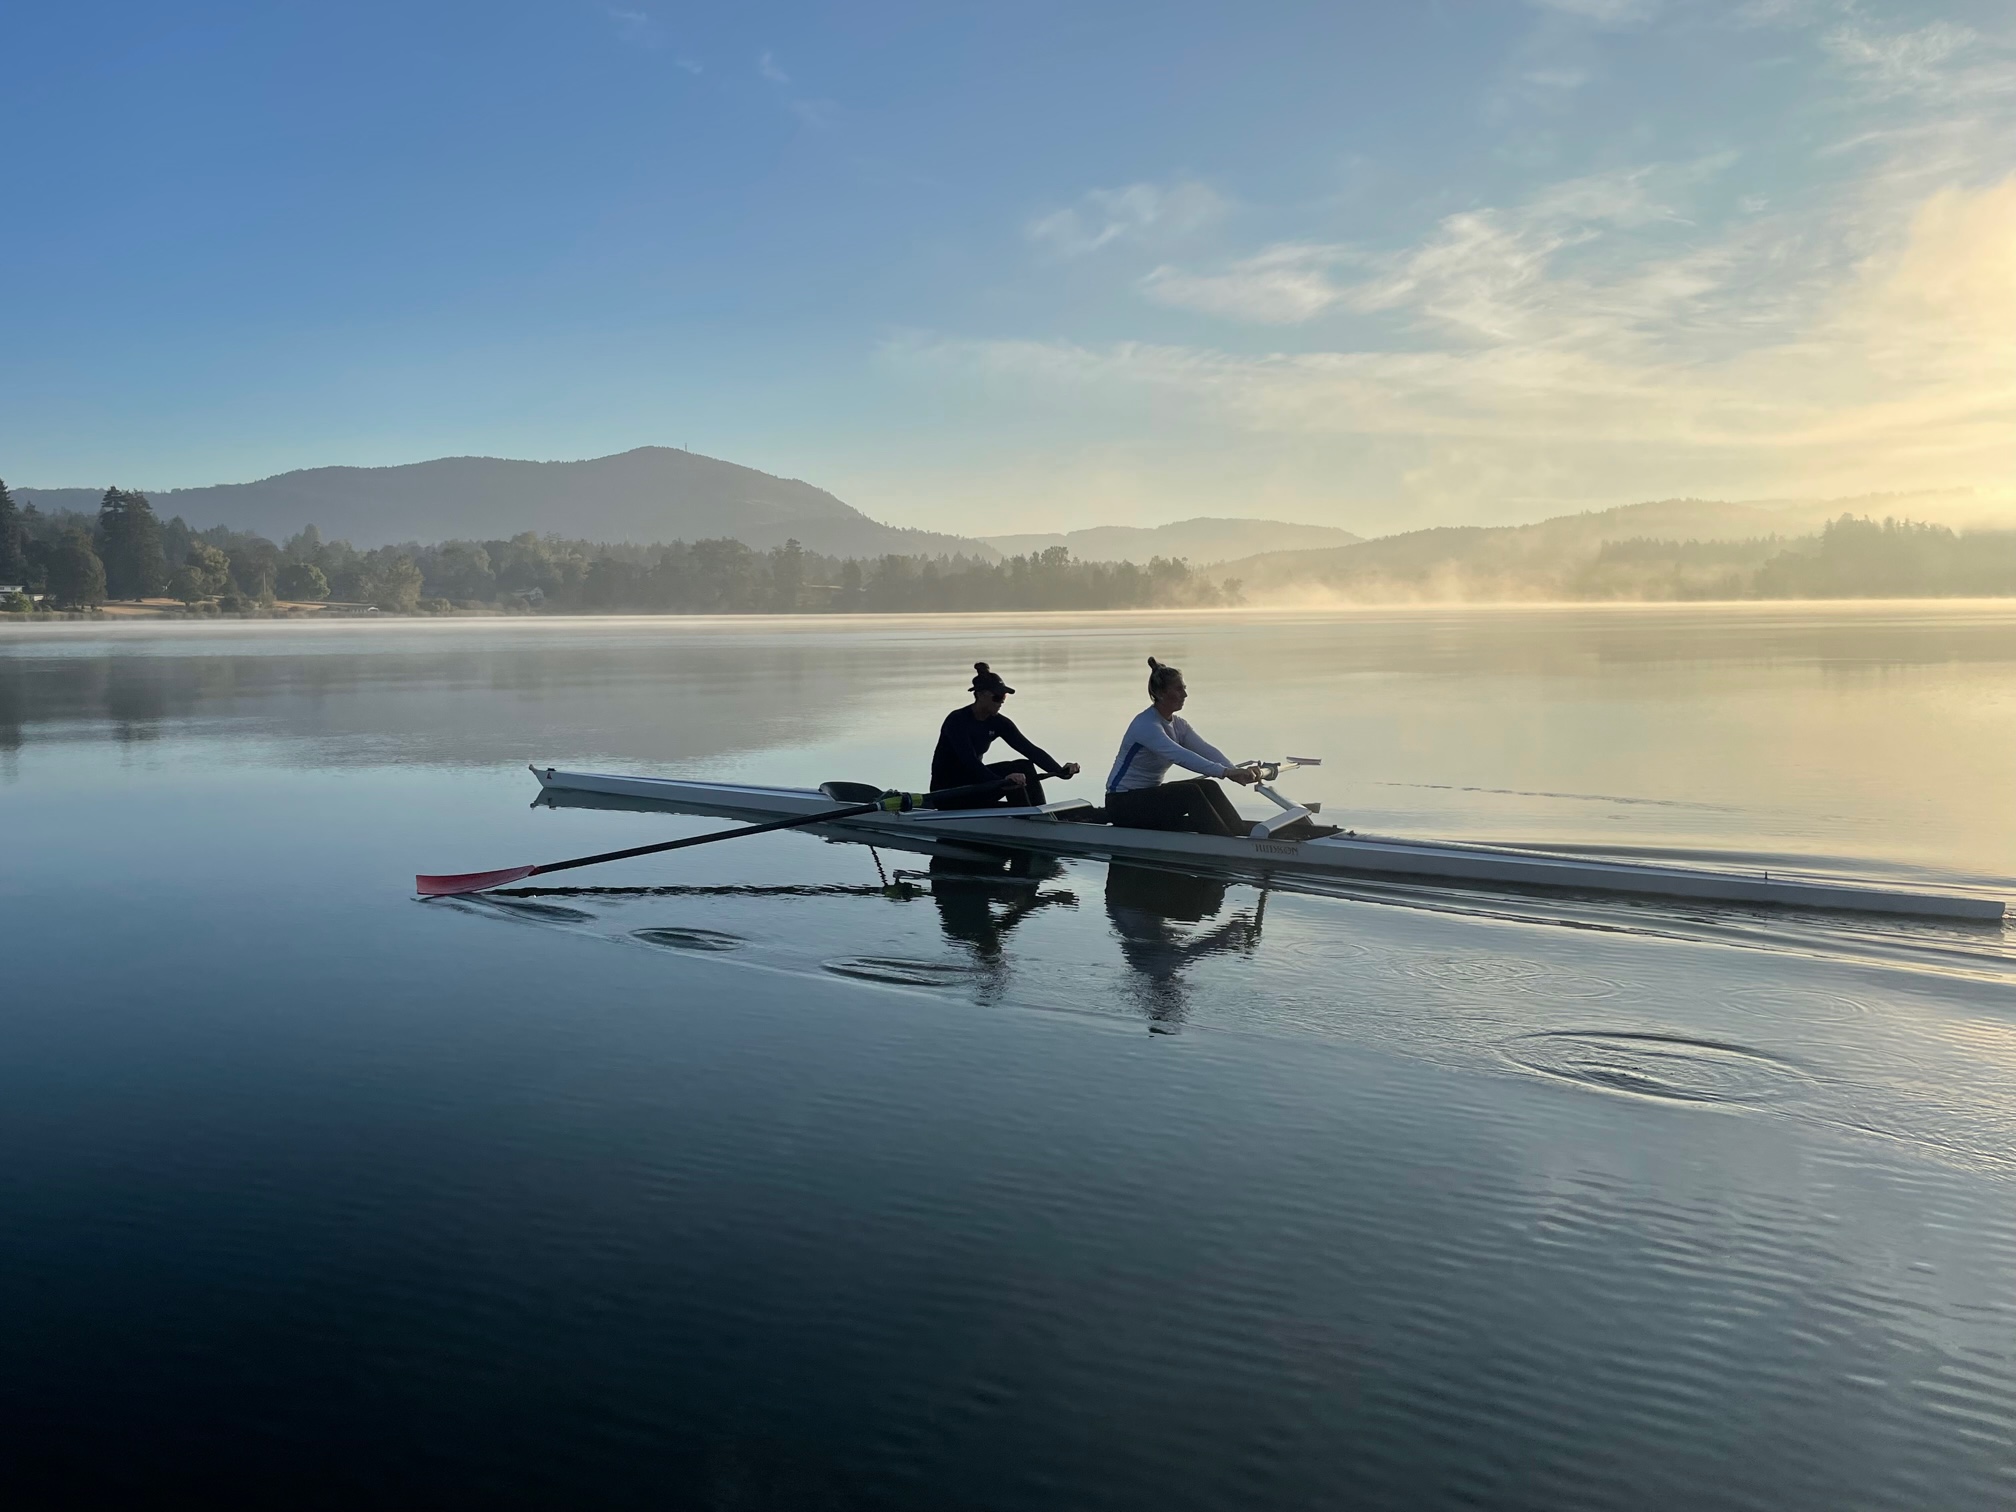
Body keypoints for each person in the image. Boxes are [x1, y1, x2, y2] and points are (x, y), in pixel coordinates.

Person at [1103, 657, 1259, 836]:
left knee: (1208, 786)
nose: (1185, 695)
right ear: (1160, 693)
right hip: (1121, 804)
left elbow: (1206, 750)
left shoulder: (1178, 725)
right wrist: (1224, 772)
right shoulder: (1146, 725)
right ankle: (1225, 844)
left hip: (1147, 798)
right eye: (1178, 689)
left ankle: (1239, 836)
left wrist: (1234, 771)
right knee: (1190, 793)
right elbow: (1180, 755)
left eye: (1184, 688)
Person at [929, 662, 1081, 808]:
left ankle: (1037, 814)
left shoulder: (999, 722)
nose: (1001, 702)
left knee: (1024, 765)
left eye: (1004, 697)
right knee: (1013, 772)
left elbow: (1029, 749)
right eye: (997, 697)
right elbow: (970, 762)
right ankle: (1029, 819)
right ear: (980, 695)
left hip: (975, 783)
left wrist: (1060, 771)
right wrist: (1002, 781)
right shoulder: (957, 720)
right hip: (948, 792)